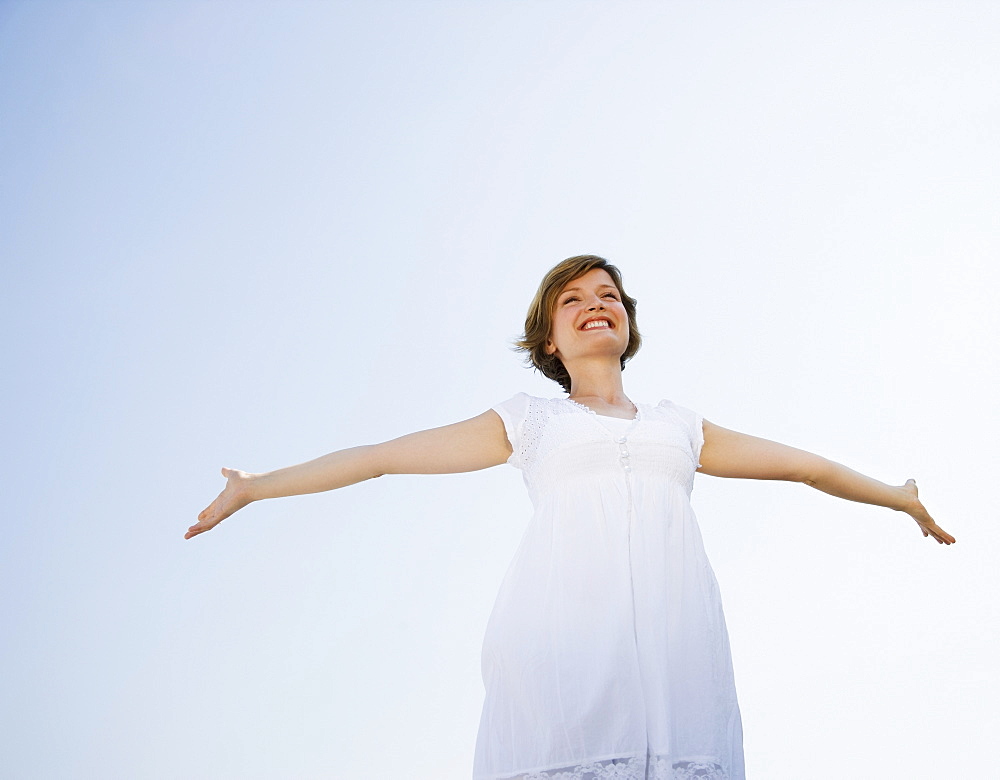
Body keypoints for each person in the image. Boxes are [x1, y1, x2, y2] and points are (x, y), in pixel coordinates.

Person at [187, 255, 954, 780]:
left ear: (628, 325)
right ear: (549, 339)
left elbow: (807, 467)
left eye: (609, 296)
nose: (597, 305)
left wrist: (899, 497)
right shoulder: (529, 421)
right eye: (574, 299)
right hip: (565, 653)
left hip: (678, 662)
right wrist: (257, 486)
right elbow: (383, 456)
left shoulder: (680, 427)